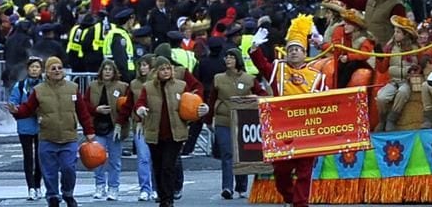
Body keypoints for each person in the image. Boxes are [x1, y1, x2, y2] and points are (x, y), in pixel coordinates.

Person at [247, 15, 325, 207]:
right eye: (291, 49)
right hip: (283, 130)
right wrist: (254, 48)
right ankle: (290, 197)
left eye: (298, 49)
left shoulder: (317, 75)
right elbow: (262, 65)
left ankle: (300, 204)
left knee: (305, 172)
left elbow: (327, 102)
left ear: (305, 52)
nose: (294, 52)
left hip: (307, 130)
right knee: (281, 171)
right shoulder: (278, 69)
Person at [8, 56, 97, 207]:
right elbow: (27, 109)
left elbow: (83, 112)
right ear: (47, 72)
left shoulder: (73, 88)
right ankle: (53, 196)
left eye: (59, 68)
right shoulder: (38, 90)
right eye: (53, 68)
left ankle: (68, 193)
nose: (57, 71)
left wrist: (89, 130)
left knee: (69, 168)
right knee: (49, 173)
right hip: (47, 137)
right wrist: (17, 111)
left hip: (69, 137)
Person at [134, 56, 208, 207]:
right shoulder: (148, 87)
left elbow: (191, 103)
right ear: (156, 71)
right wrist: (140, 109)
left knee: (168, 165)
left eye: (168, 68)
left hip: (176, 133)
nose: (166, 71)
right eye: (162, 69)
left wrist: (202, 109)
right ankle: (162, 196)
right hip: (155, 133)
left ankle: (168, 199)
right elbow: (140, 103)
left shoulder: (181, 86)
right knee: (158, 166)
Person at [211, 48, 262, 200]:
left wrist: (255, 97)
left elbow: (263, 95)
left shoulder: (249, 79)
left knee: (242, 155)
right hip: (223, 120)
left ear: (238, 60)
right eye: (226, 57)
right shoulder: (218, 78)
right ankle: (227, 187)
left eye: (231, 57)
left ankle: (241, 186)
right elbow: (211, 99)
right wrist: (207, 119)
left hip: (243, 120)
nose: (228, 60)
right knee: (227, 154)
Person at [87, 59, 129, 200]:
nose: (107, 72)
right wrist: (96, 109)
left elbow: (127, 106)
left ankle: (114, 187)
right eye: (105, 69)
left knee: (114, 160)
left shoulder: (122, 87)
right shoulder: (92, 86)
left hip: (114, 127)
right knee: (97, 159)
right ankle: (99, 186)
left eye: (110, 69)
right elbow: (85, 104)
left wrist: (120, 123)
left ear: (114, 72)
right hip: (97, 126)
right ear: (101, 71)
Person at [334, 0, 408, 47]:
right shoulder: (370, 0)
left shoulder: (397, 5)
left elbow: (402, 30)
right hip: (367, 45)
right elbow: (354, 1)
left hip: (383, 48)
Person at [375, 14, 421, 131]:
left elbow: (418, 66)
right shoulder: (390, 48)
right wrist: (379, 57)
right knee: (381, 97)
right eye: (395, 31)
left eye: (398, 32)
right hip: (393, 81)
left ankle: (392, 118)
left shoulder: (415, 48)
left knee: (403, 92)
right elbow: (382, 68)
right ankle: (382, 119)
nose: (395, 34)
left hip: (406, 82)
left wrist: (413, 70)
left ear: (406, 34)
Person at [10, 56, 45, 200]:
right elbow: (13, 103)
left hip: (42, 126)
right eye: (32, 67)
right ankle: (30, 187)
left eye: (37, 67)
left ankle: (38, 185)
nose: (34, 70)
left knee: (40, 157)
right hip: (25, 125)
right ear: (27, 69)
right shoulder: (20, 86)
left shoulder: (45, 85)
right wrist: (17, 110)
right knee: (28, 157)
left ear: (41, 69)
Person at [129, 56, 156, 202]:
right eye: (141, 65)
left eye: (145, 65)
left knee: (156, 159)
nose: (142, 68)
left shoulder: (157, 83)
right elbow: (129, 104)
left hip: (156, 124)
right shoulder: (134, 84)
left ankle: (157, 188)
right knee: (143, 158)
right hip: (140, 125)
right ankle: (145, 188)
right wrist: (121, 123)